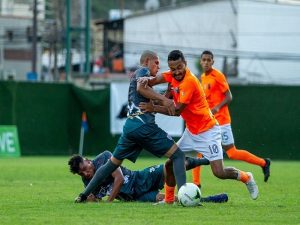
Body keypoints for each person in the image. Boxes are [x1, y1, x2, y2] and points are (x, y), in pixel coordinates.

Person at [138, 50, 259, 201]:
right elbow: (154, 80)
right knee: (170, 164)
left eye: (179, 67)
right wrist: (144, 80)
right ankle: (168, 200)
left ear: (185, 64)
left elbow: (176, 111)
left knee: (219, 172)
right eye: (173, 68)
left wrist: (153, 107)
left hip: (208, 131)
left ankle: (247, 177)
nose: (176, 72)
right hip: (192, 131)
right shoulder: (171, 74)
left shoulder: (189, 81)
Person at [74, 50, 187, 203]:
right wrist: (165, 100)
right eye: (157, 63)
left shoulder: (142, 79)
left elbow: (150, 97)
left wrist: (166, 95)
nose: (158, 67)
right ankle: (186, 196)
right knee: (178, 156)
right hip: (143, 125)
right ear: (147, 61)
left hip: (130, 128)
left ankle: (83, 195)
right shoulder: (142, 70)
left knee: (111, 164)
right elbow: (142, 88)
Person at [190, 50, 271, 188]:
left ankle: (263, 163)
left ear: (213, 62)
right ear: (201, 61)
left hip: (221, 121)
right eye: (204, 60)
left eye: (209, 60)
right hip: (209, 122)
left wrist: (216, 107)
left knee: (232, 153)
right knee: (200, 149)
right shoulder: (202, 77)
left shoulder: (218, 76)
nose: (206, 62)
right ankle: (196, 183)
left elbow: (229, 97)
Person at [69, 151, 229, 203]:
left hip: (140, 178)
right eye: (81, 173)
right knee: (168, 199)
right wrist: (92, 200)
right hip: (135, 197)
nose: (86, 173)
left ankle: (207, 159)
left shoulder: (104, 157)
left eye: (85, 168)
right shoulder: (87, 181)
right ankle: (211, 199)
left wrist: (109, 202)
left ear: (88, 161)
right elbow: (95, 197)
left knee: (171, 165)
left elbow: (118, 179)